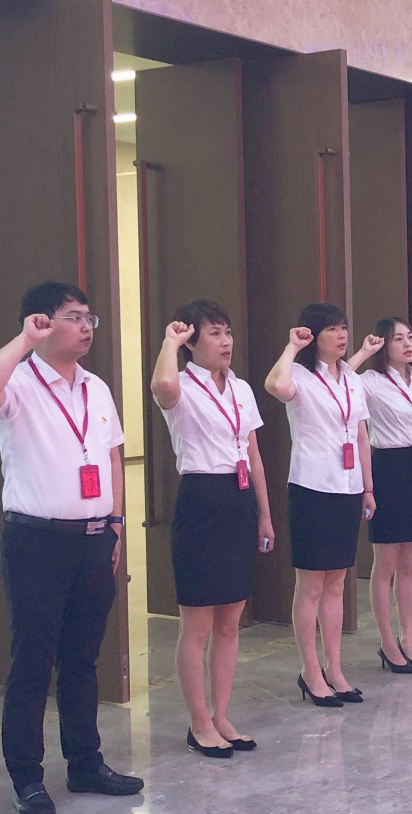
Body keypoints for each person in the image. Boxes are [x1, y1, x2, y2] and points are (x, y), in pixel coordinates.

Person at [0, 281, 143, 814]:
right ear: (42, 323)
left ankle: (85, 763)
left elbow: (112, 458)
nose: (87, 326)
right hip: (36, 541)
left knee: (82, 659)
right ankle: (26, 776)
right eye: (73, 317)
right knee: (32, 661)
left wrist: (116, 525)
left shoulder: (96, 387)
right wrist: (24, 341)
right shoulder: (17, 383)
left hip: (94, 539)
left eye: (90, 317)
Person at [150, 300, 274, 757]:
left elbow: (254, 454)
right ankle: (199, 721)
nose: (226, 342)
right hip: (201, 500)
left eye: (228, 332)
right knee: (198, 624)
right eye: (215, 334)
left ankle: (222, 715)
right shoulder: (179, 385)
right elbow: (162, 386)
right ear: (192, 341)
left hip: (239, 500)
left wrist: (264, 513)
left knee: (230, 621)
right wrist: (170, 342)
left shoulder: (241, 388)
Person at [264, 303, 375, 707]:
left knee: (337, 582)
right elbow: (274, 386)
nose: (342, 336)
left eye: (343, 328)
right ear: (313, 336)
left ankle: (335, 668)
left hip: (348, 487)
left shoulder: (352, 378)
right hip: (312, 487)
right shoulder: (297, 374)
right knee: (311, 584)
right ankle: (310, 671)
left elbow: (361, 436)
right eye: (332, 329)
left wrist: (368, 487)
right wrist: (292, 347)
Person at [347, 317, 412, 673]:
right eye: (398, 338)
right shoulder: (369, 381)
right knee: (385, 563)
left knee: (409, 564)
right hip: (386, 467)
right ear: (384, 344)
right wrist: (363, 351)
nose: (407, 343)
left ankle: (408, 637)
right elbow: (338, 381)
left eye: (410, 337)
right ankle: (387, 641)